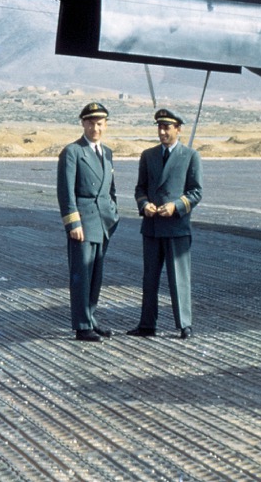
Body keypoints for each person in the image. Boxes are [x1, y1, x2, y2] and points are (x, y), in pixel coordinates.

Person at [128, 108, 203, 339]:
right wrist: (144, 205)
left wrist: (176, 206)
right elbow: (140, 188)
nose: (162, 132)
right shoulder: (148, 155)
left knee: (179, 278)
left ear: (178, 129)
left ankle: (184, 324)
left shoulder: (190, 156)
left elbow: (196, 192)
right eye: (159, 127)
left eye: (166, 127)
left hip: (176, 228)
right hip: (151, 228)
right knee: (149, 278)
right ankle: (147, 324)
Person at [56, 101, 119, 341]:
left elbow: (111, 189)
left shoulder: (108, 152)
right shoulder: (73, 152)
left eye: (100, 123)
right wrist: (73, 223)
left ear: (106, 125)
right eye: (91, 123)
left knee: (96, 275)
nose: (96, 128)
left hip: (103, 222)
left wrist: (113, 214)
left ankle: (91, 318)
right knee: (81, 274)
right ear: (83, 123)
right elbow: (66, 191)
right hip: (83, 221)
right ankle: (82, 325)